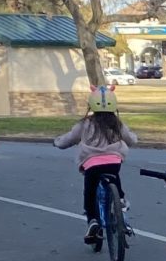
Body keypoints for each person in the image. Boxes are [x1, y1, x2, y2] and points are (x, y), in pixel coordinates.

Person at [54, 86, 138, 243]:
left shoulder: (85, 124)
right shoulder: (117, 124)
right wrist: (135, 138)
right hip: (114, 162)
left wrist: (57, 142)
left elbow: (69, 139)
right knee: (114, 180)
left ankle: (93, 221)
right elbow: (130, 139)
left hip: (92, 164)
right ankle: (119, 204)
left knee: (90, 193)